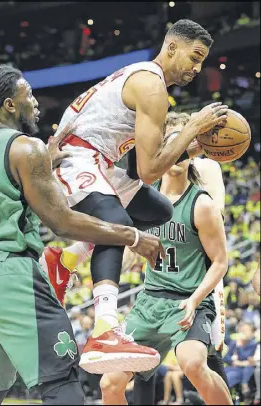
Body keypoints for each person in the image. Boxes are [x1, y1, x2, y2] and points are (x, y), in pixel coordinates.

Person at [41, 19, 228, 374]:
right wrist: (191, 126)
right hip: (75, 155)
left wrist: (191, 147)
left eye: (202, 61)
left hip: (107, 161)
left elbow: (145, 164)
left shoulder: (150, 82)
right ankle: (104, 330)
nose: (197, 68)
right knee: (117, 224)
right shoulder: (152, 88)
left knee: (159, 208)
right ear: (172, 47)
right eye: (195, 56)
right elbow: (148, 171)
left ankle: (64, 260)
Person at [0, 65, 165, 405]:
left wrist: (41, 168)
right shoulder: (26, 148)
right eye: (29, 95)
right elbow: (62, 223)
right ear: (10, 104)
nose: (35, 102)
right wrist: (133, 237)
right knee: (62, 382)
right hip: (12, 275)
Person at [99, 112, 233, 405]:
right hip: (150, 302)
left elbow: (221, 262)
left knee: (195, 364)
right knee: (110, 382)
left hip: (188, 299)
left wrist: (196, 300)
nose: (180, 151)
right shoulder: (142, 199)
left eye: (185, 144)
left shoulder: (202, 203)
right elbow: (129, 248)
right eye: (173, 143)